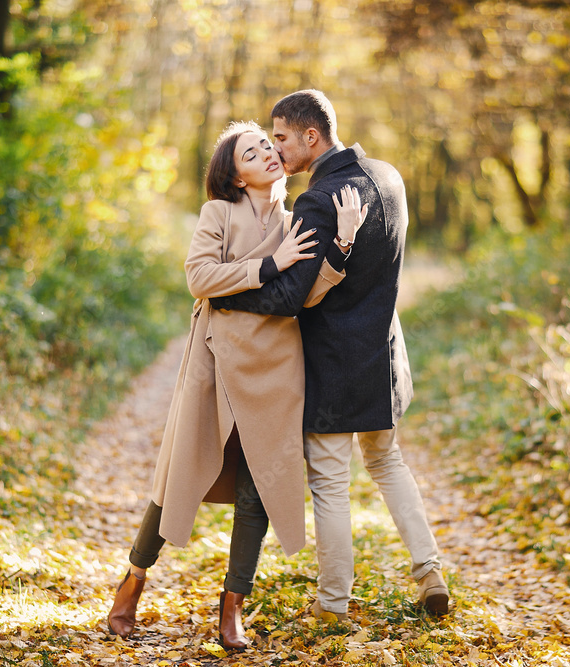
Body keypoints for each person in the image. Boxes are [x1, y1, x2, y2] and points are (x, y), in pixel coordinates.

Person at [106, 120, 367, 648]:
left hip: (276, 368)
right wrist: (268, 264)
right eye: (252, 152)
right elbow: (198, 277)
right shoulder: (218, 213)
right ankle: (132, 583)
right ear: (236, 175)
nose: (269, 154)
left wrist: (340, 244)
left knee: (260, 486)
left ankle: (232, 609)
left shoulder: (300, 219)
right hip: (215, 364)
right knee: (181, 474)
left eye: (269, 147)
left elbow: (307, 296)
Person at [210, 90, 450, 621]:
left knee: (331, 485)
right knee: (389, 463)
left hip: (335, 366)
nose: (276, 149)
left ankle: (333, 603)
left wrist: (224, 292)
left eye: (281, 138)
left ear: (310, 138)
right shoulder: (388, 177)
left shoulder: (319, 201)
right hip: (385, 357)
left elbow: (292, 295)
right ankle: (429, 570)